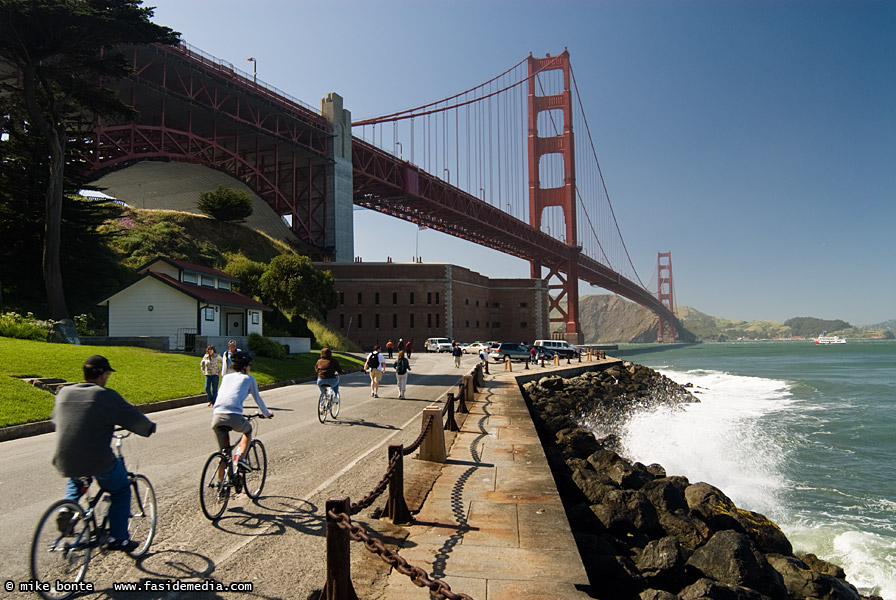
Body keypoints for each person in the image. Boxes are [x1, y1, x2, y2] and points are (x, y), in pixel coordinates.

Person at [52, 355, 157, 552]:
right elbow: (132, 418)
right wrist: (149, 427)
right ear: (101, 375)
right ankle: (119, 538)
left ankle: (69, 509)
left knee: (78, 479)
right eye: (107, 374)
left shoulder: (65, 393)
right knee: (121, 489)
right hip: (97, 458)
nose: (107, 378)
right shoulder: (104, 395)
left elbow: (57, 420)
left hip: (65, 457)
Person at [210, 350, 273, 473]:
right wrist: (267, 413)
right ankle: (241, 459)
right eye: (249, 365)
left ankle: (221, 486)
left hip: (217, 416)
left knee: (224, 452)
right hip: (233, 416)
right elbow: (258, 399)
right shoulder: (249, 379)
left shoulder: (226, 378)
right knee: (248, 431)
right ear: (245, 366)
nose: (250, 368)